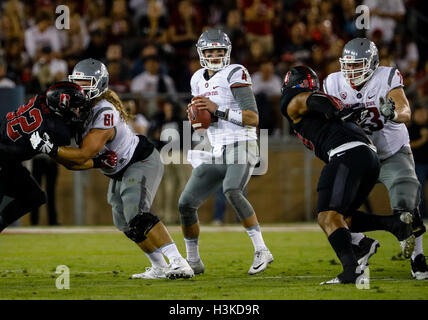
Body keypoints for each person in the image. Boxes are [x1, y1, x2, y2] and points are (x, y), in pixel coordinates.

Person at [31, 59, 193, 280]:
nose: (80, 88)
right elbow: (75, 164)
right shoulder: (79, 110)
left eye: (86, 83)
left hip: (140, 160)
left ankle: (179, 263)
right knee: (126, 224)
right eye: (77, 82)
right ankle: (159, 266)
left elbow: (82, 155)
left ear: (99, 84)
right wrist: (94, 162)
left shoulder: (103, 111)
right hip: (118, 169)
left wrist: (50, 148)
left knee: (137, 213)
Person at [280, 65, 415, 284]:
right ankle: (390, 227)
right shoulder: (328, 99)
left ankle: (351, 270)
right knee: (342, 217)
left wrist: (337, 109)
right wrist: (339, 109)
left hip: (346, 153)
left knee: (327, 217)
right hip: (368, 156)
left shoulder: (294, 100)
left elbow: (311, 100)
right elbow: (322, 102)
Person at [323, 38, 428, 280]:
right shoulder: (332, 82)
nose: (350, 71)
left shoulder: (386, 76)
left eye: (357, 65)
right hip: (356, 154)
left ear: (372, 63)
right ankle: (361, 244)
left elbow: (405, 111)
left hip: (391, 151)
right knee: (333, 209)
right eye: (347, 65)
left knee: (406, 199)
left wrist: (394, 112)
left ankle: (418, 258)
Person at [178, 29, 273, 276]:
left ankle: (262, 249)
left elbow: (253, 118)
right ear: (201, 53)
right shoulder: (197, 78)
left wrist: (216, 110)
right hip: (217, 148)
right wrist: (197, 116)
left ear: (227, 52)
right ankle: (193, 260)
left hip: (243, 143)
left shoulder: (235, 72)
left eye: (220, 51)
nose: (216, 55)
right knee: (186, 204)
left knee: (231, 190)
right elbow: (203, 115)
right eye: (210, 51)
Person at [0, 81, 87, 232]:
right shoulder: (57, 131)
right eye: (75, 106)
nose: (78, 111)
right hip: (3, 156)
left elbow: (53, 91)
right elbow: (70, 158)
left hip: (7, 158)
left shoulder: (41, 99)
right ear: (63, 106)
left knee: (34, 196)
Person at [409, 104, 428, 220]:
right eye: (419, 113)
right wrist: (423, 139)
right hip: (418, 164)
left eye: (424, 113)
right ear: (414, 115)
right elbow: (409, 146)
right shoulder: (410, 128)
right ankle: (422, 217)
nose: (422, 115)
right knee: (419, 193)